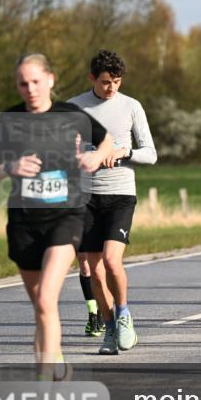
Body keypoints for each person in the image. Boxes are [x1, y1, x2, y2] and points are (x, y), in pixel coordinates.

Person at [0, 53, 114, 377]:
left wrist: (96, 157)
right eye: (23, 83)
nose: (30, 89)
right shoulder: (8, 121)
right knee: (41, 310)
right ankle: (54, 362)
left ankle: (43, 386)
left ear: (50, 80)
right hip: (24, 223)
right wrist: (9, 167)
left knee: (45, 300)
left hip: (65, 217)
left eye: (36, 81)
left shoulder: (71, 115)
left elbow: (106, 140)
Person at [68, 50, 157, 354]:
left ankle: (123, 314)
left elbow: (151, 153)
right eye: (106, 82)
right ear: (93, 78)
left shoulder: (131, 106)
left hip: (120, 194)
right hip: (85, 198)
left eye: (116, 82)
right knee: (93, 269)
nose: (111, 88)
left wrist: (123, 153)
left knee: (111, 260)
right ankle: (108, 329)